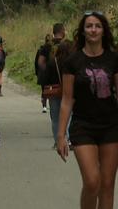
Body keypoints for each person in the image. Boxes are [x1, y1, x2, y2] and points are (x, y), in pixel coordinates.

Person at [57, 11, 118, 209]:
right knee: (92, 182)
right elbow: (67, 100)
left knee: (108, 185)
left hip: (111, 126)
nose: (93, 30)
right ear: (83, 31)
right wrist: (60, 135)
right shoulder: (72, 61)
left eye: (97, 26)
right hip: (83, 127)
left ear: (103, 31)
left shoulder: (113, 59)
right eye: (89, 26)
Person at [38, 23, 67, 146]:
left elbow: (40, 62)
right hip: (67, 84)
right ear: (63, 31)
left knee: (55, 116)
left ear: (53, 32)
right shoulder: (68, 45)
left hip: (52, 86)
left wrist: (48, 73)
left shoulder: (46, 47)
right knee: (68, 113)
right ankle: (67, 139)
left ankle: (57, 141)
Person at [35, 33, 53, 113]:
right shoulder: (54, 49)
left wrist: (37, 73)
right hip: (52, 72)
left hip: (42, 72)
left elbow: (36, 62)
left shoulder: (41, 50)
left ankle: (44, 106)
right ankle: (52, 105)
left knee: (43, 90)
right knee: (52, 89)